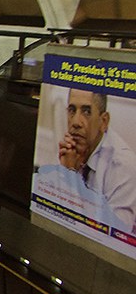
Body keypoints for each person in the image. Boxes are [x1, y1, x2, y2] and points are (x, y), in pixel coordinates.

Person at [57, 88, 136, 233]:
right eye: (72, 110)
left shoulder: (123, 165)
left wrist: (70, 175)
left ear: (103, 121)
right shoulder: (70, 151)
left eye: (86, 112)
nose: (76, 122)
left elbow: (111, 237)